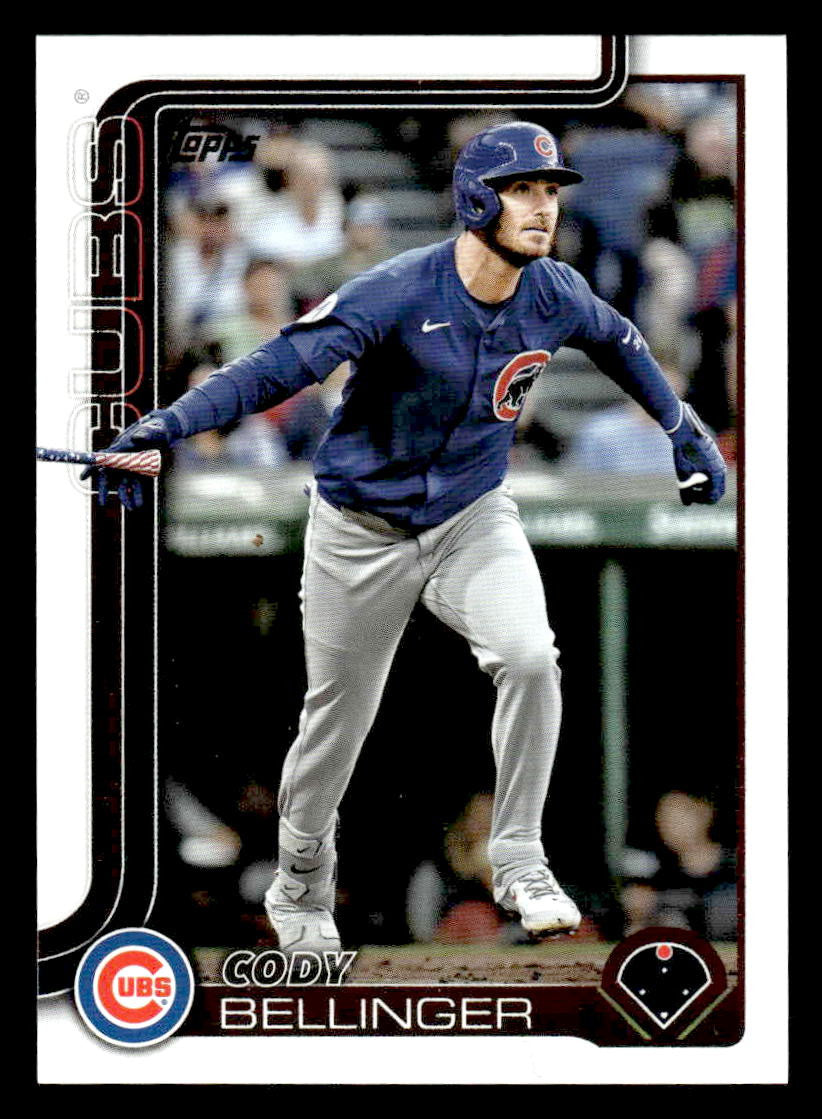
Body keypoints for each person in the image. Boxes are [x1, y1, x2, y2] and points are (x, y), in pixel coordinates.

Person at [83, 121, 726, 951]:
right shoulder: (396, 290)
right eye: (523, 190)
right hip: (360, 528)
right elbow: (278, 366)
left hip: (471, 515)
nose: (543, 206)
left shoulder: (554, 290)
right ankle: (299, 884)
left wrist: (680, 424)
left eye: (550, 191)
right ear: (476, 200)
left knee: (530, 657)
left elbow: (620, 339)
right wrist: (167, 425)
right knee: (336, 722)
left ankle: (520, 857)